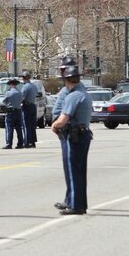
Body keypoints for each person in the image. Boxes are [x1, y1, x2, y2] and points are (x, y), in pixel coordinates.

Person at [50, 65, 92, 215]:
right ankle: (76, 202)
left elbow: (63, 119)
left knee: (74, 172)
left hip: (75, 136)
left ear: (67, 80)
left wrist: (54, 126)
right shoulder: (82, 93)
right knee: (78, 172)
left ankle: (76, 205)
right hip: (81, 134)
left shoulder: (73, 96)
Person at [52, 56, 78, 211]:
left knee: (71, 169)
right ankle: (69, 199)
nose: (62, 72)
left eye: (64, 69)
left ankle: (72, 201)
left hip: (68, 129)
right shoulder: (66, 89)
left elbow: (68, 112)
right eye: (62, 70)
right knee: (68, 169)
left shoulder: (72, 91)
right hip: (63, 131)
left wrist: (58, 124)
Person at [2, 78, 24, 149]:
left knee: (9, 128)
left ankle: (9, 143)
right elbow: (21, 100)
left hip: (10, 111)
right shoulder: (19, 92)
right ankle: (20, 143)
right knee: (18, 128)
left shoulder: (8, 93)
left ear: (11, 84)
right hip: (18, 111)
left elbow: (4, 101)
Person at [20, 71, 38, 148]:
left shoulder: (25, 87)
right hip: (33, 106)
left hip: (27, 106)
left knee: (26, 125)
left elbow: (21, 97)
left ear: (24, 78)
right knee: (32, 125)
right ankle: (33, 142)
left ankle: (27, 142)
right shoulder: (34, 86)